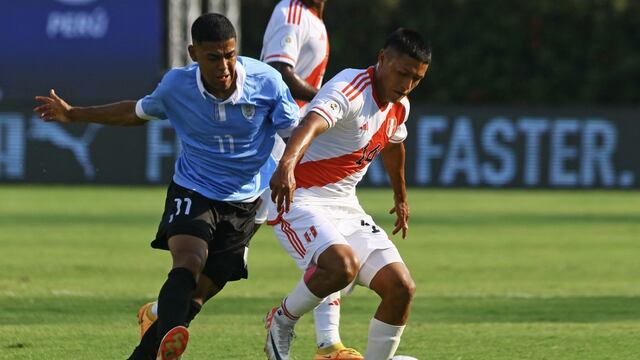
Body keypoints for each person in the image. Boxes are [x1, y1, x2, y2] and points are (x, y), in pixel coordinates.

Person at [34, 13, 300, 360]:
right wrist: (75, 114)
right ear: (193, 53)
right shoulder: (177, 86)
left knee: (198, 296)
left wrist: (288, 166)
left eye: (230, 54)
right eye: (213, 57)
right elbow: (135, 112)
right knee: (189, 261)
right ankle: (168, 340)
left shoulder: (266, 82)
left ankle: (150, 343)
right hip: (195, 189)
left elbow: (295, 131)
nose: (225, 65)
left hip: (247, 200)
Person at [263, 28, 431, 360]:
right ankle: (281, 321)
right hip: (299, 197)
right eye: (402, 73)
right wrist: (285, 166)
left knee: (401, 289)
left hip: (346, 207)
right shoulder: (351, 88)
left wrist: (401, 196)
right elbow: (310, 123)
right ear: (382, 58)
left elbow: (395, 144)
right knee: (341, 266)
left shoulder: (400, 106)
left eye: (416, 79)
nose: (407, 84)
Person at [260, 1, 364, 359]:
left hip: (293, 146)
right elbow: (278, 69)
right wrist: (325, 100)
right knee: (227, 253)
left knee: (328, 249)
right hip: (272, 150)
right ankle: (162, 312)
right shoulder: (292, 12)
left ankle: (328, 344)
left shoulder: (313, 19)